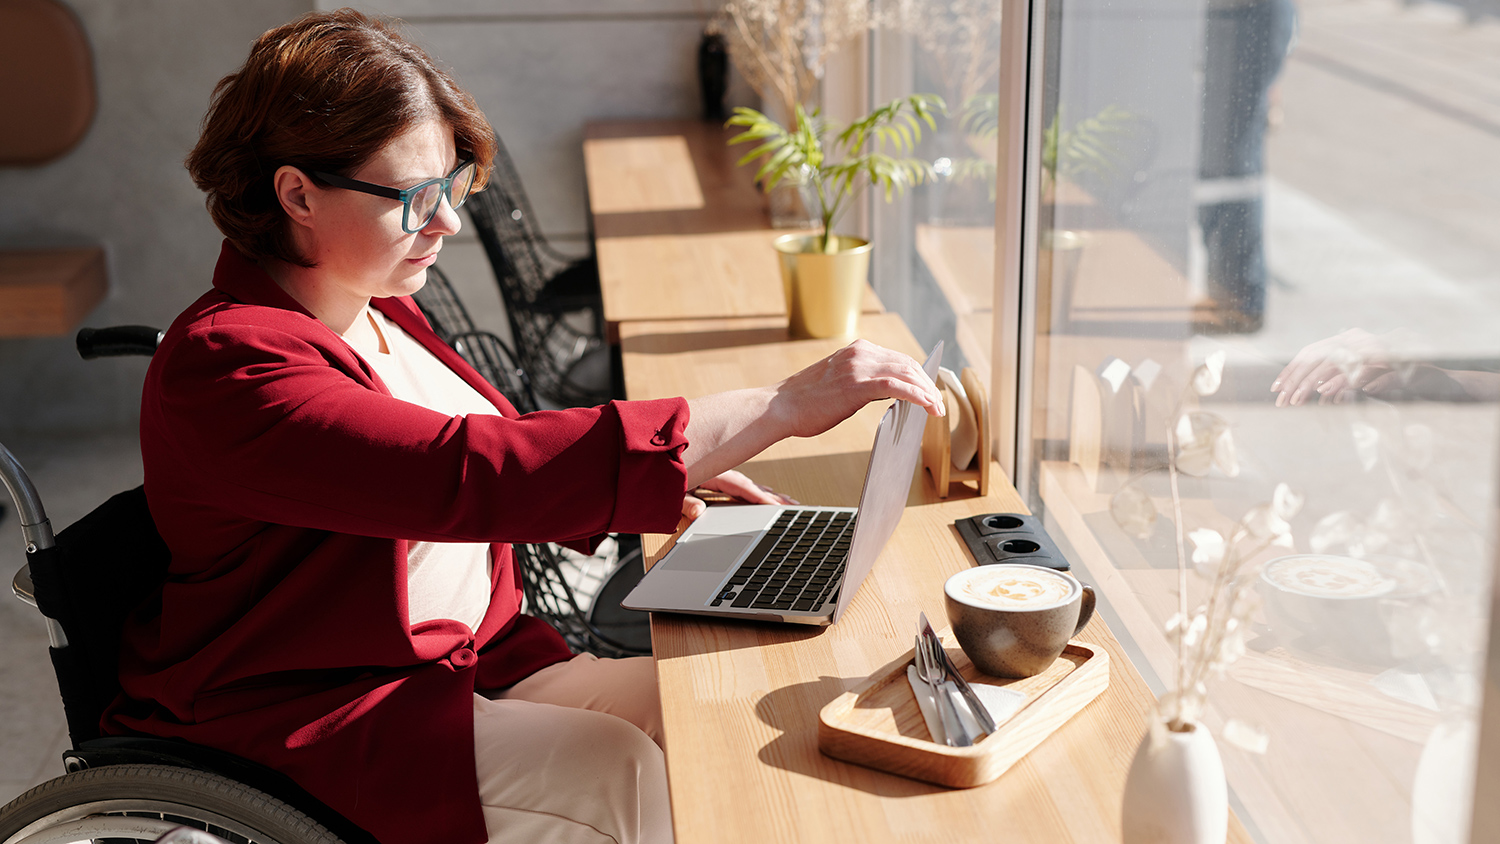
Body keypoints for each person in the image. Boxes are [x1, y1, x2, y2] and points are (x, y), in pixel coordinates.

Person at [99, 10, 944, 844]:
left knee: (712, 708)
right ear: (297, 194)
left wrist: (677, 469)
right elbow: (466, 472)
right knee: (622, 769)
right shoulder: (231, 366)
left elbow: (484, 440)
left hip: (469, 662)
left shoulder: (369, 305)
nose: (448, 223)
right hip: (326, 707)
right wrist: (778, 408)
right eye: (414, 197)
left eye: (451, 186)